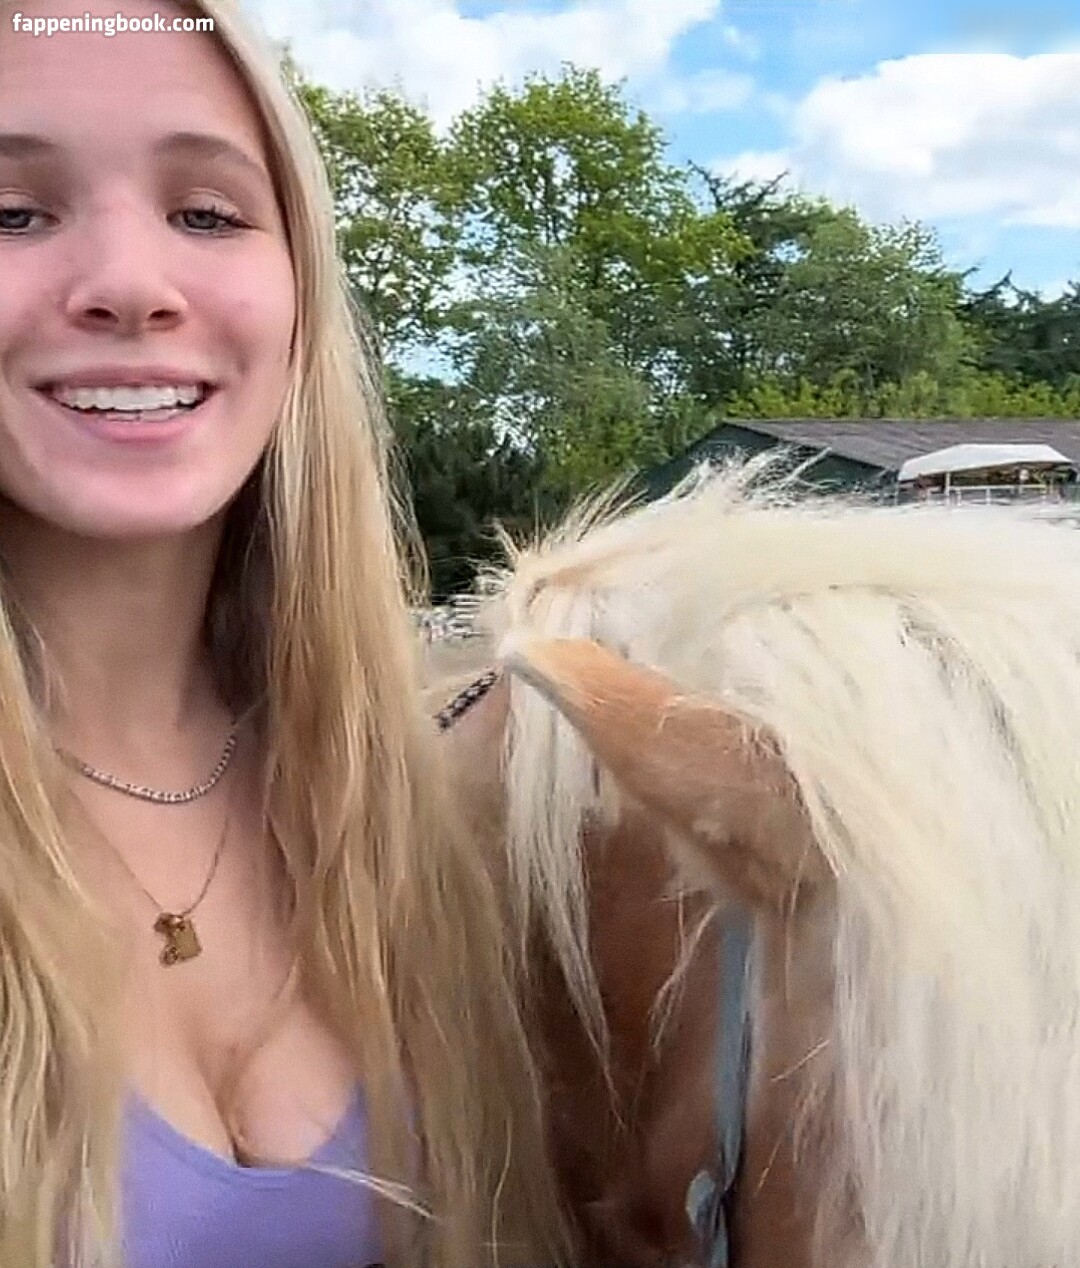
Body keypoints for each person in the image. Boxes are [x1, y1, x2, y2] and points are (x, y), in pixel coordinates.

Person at [0, 1, 568, 1265]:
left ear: (300, 291)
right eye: (12, 214)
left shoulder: (413, 817)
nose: (132, 285)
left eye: (208, 213)